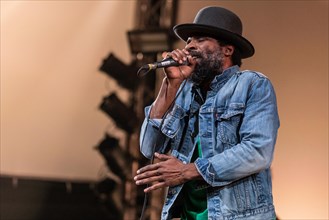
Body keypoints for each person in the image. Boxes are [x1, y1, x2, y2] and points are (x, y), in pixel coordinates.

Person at [134, 6, 280, 220]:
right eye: (189, 40)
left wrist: (186, 171)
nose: (190, 46)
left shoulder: (252, 85)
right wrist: (171, 85)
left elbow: (257, 151)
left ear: (227, 50)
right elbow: (149, 148)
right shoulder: (182, 90)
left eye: (200, 39)